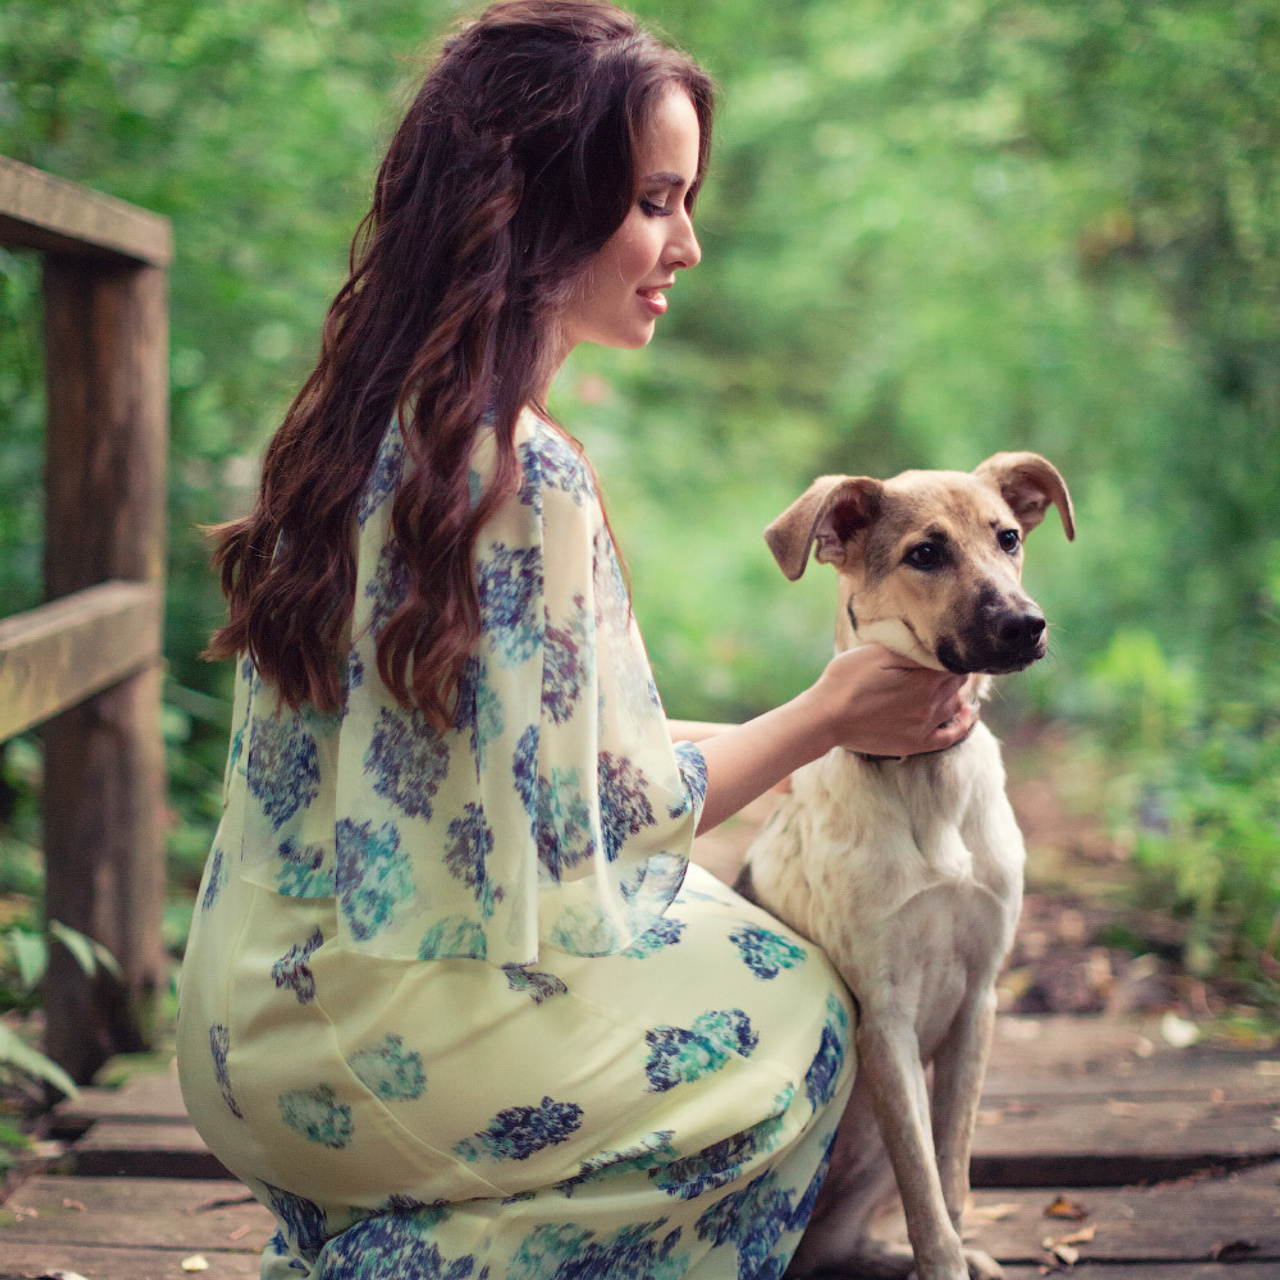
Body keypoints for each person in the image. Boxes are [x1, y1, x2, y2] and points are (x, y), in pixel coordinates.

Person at [176, 3, 976, 1277]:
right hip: (380, 1041)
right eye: (655, 201)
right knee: (800, 1015)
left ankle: (394, 1212)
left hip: (242, 1021)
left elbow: (553, 764)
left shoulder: (365, 421)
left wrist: (827, 713)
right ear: (537, 204)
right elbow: (597, 813)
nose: (688, 244)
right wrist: (826, 715)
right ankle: (430, 1255)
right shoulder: (517, 474)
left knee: (723, 932)